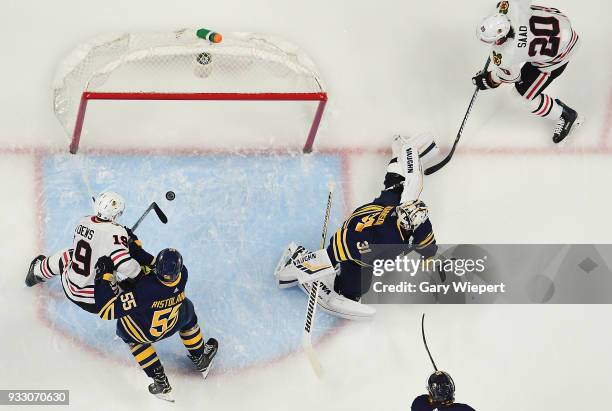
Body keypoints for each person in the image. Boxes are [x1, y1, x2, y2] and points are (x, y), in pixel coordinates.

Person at [274, 134, 441, 320]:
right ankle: (303, 266)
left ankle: (398, 148)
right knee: (352, 291)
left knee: (395, 184)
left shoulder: (415, 215)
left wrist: (429, 258)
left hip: (377, 210)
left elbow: (426, 238)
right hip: (359, 230)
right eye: (403, 218)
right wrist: (315, 266)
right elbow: (343, 242)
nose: (406, 222)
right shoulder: (382, 237)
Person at [94, 248, 218, 402]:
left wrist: (103, 276)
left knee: (130, 335)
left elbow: (106, 311)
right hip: (173, 322)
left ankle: (160, 381)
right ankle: (201, 356)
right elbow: (151, 264)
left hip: (143, 332)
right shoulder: (183, 274)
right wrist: (134, 247)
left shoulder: (144, 291)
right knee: (188, 310)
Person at [472, 1, 582, 143]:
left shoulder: (505, 55)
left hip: (560, 56)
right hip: (564, 26)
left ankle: (567, 115)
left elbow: (511, 77)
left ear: (499, 39)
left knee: (521, 97)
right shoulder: (512, 6)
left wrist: (489, 79)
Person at [25, 191, 152, 313]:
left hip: (71, 289)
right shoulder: (117, 232)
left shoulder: (83, 221)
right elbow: (124, 265)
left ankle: (35, 273)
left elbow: (95, 240)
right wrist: (141, 275)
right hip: (100, 301)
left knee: (68, 254)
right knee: (121, 275)